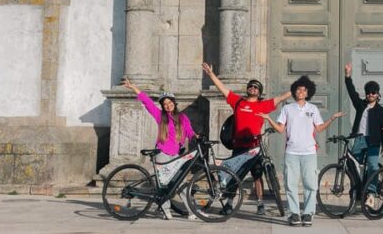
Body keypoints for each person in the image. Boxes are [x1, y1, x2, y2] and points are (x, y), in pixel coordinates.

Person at [202, 62, 291, 215]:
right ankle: (229, 204)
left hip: (254, 146)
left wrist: (297, 88)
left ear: (260, 92)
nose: (253, 88)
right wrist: (211, 74)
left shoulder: (263, 105)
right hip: (239, 146)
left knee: (257, 175)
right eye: (251, 86)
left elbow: (281, 97)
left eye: (256, 87)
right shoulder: (238, 101)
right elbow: (222, 89)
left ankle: (260, 203)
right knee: (234, 176)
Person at [258, 75, 344, 227]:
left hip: (309, 152)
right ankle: (294, 214)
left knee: (310, 184)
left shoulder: (313, 109)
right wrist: (268, 119)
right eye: (298, 89)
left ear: (308, 92)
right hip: (292, 152)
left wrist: (332, 119)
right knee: (290, 184)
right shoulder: (287, 108)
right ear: (294, 91)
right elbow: (280, 129)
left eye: (304, 90)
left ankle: (308, 213)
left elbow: (318, 128)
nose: (301, 92)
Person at [122, 78, 196, 221]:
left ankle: (192, 211)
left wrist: (197, 136)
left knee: (180, 182)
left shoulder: (183, 117)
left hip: (176, 155)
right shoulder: (160, 116)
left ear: (174, 103)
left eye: (170, 102)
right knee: (162, 184)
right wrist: (133, 87)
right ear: (163, 106)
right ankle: (165, 209)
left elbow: (190, 131)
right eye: (165, 104)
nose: (168, 106)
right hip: (162, 153)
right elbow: (147, 102)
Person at [343, 62, 383, 208]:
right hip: (359, 140)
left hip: (374, 142)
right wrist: (347, 76)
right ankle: (356, 193)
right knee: (354, 168)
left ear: (378, 94)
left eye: (373, 92)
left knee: (372, 165)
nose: (370, 94)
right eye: (368, 92)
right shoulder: (361, 105)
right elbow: (352, 93)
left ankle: (370, 194)